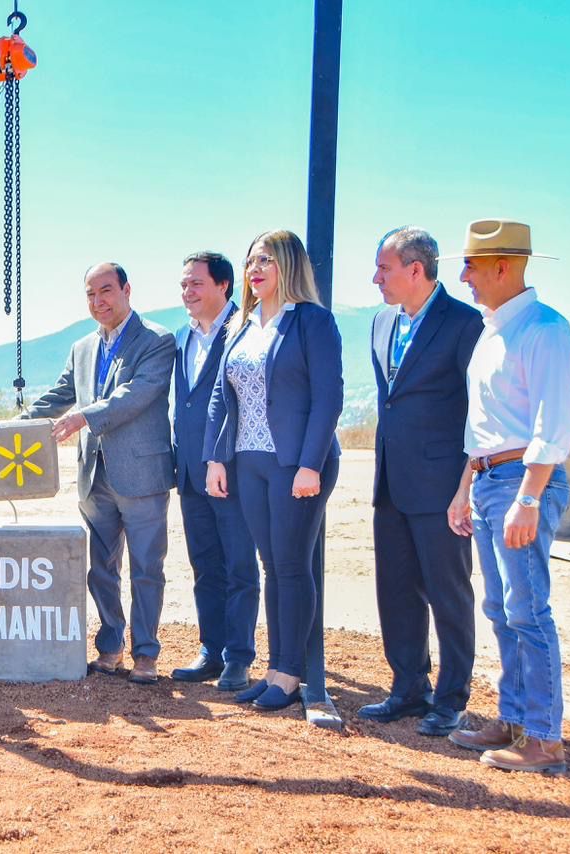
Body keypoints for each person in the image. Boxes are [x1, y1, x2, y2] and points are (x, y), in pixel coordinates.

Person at [446, 219, 570, 774]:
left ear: (502, 267)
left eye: (471, 266)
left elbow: (553, 424)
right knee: (502, 608)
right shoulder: (493, 331)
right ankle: (515, 718)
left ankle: (544, 739)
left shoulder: (545, 330)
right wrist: (465, 487)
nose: (464, 277)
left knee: (527, 609)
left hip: (522, 482)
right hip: (489, 481)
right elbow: (484, 426)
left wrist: (528, 499)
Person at [204, 230, 343, 711]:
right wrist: (215, 457)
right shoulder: (241, 326)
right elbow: (221, 396)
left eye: (265, 260)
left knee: (291, 565)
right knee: (271, 566)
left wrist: (310, 465)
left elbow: (328, 398)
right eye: (250, 261)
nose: (254, 269)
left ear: (288, 264)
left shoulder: (312, 321)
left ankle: (290, 673)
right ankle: (274, 669)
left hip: (295, 465)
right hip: (249, 463)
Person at [22, 262, 176, 685]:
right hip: (95, 475)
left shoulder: (158, 340)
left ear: (127, 290)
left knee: (146, 568)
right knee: (101, 569)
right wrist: (18, 423)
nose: (98, 301)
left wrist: (84, 417)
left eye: (106, 290)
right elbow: (60, 394)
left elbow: (136, 394)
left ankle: (146, 654)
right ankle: (110, 647)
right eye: (90, 294)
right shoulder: (82, 347)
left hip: (142, 475)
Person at [358, 227, 482, 736]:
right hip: (391, 482)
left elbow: (477, 411)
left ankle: (451, 698)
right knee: (396, 590)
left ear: (415, 269)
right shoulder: (381, 321)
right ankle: (408, 687)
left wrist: (465, 486)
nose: (375, 279)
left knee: (448, 594)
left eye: (383, 269)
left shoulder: (465, 323)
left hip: (441, 486)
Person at [169, 252, 260, 692]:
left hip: (232, 469)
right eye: (184, 285)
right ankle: (212, 649)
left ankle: (238, 657)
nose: (187, 292)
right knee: (205, 565)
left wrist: (218, 458)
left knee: (239, 565)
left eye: (196, 284)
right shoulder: (182, 336)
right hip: (189, 470)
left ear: (224, 285)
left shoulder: (245, 330)